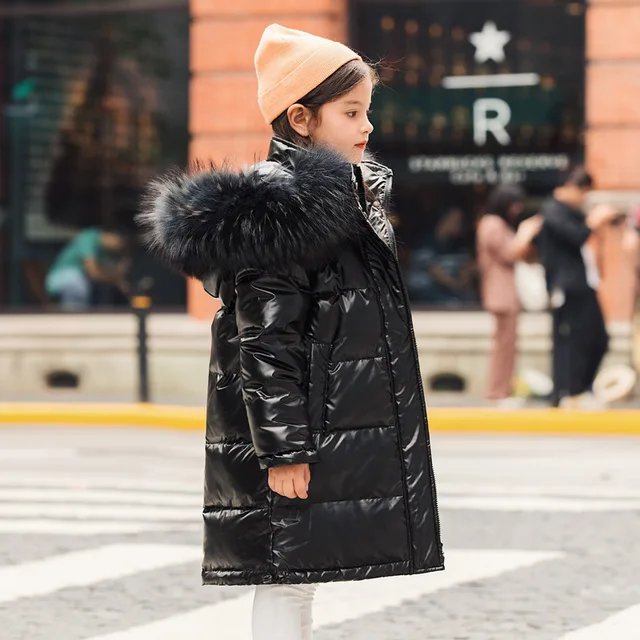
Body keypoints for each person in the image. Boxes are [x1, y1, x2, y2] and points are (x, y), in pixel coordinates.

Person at [138, 24, 443, 640]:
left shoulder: (337, 201)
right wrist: (283, 451)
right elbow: (265, 343)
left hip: (316, 423)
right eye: (351, 112)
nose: (367, 126)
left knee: (298, 573)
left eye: (368, 111)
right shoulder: (286, 212)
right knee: (286, 576)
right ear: (301, 118)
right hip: (296, 431)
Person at [538, 167, 621, 408]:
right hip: (567, 288)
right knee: (571, 340)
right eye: (584, 193)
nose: (584, 199)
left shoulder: (571, 212)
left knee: (597, 338)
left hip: (584, 285)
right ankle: (567, 392)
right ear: (571, 187)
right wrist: (594, 221)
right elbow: (576, 236)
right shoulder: (552, 211)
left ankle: (579, 388)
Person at [476, 185, 543, 406]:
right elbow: (510, 253)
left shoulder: (494, 223)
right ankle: (498, 391)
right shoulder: (492, 224)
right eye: (515, 205)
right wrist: (525, 233)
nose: (517, 209)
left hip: (503, 291)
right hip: (501, 292)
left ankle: (503, 389)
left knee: (507, 344)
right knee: (504, 345)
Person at [45, 228, 130, 309]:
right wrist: (116, 279)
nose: (120, 246)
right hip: (64, 278)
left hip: (81, 283)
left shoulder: (106, 252)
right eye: (121, 241)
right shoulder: (90, 237)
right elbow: (93, 272)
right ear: (111, 235)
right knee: (78, 286)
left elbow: (111, 273)